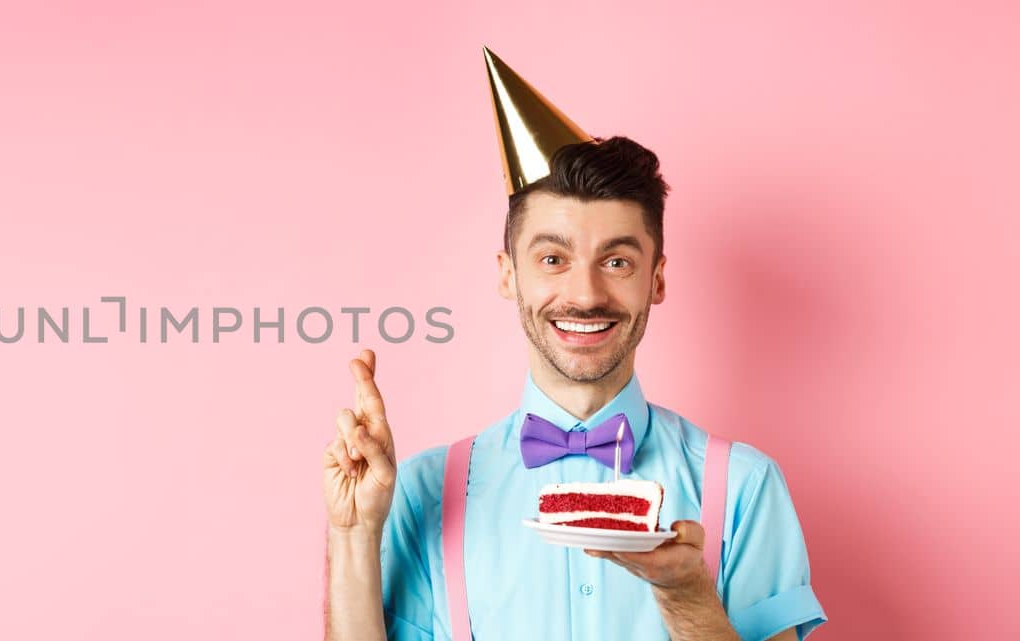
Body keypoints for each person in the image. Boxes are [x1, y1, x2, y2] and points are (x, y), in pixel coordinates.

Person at [319, 49, 828, 641]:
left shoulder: (744, 486)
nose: (584, 295)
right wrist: (354, 535)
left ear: (656, 279)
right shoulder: (421, 491)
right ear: (509, 275)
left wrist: (688, 599)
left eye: (616, 260)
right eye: (553, 259)